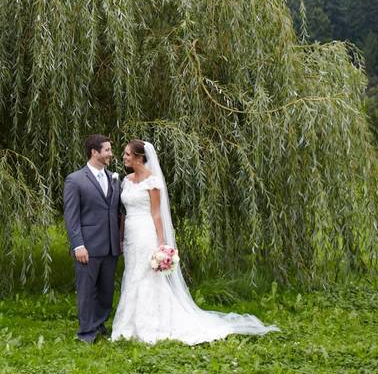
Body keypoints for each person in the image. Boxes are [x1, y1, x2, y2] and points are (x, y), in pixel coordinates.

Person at [111, 139, 279, 344]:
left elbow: (156, 214)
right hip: (130, 234)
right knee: (132, 274)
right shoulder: (127, 180)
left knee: (146, 276)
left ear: (139, 157)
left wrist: (162, 245)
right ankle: (129, 324)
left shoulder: (152, 181)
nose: (124, 157)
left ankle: (152, 324)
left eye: (128, 154)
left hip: (146, 233)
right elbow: (122, 211)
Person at [63, 134, 123, 342]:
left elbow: (117, 212)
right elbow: (71, 217)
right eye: (107, 150)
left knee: (106, 290)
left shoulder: (114, 178)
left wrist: (121, 240)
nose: (110, 154)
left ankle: (99, 324)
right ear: (94, 152)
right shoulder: (75, 180)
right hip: (88, 245)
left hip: (111, 246)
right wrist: (78, 245)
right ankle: (86, 332)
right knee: (87, 290)